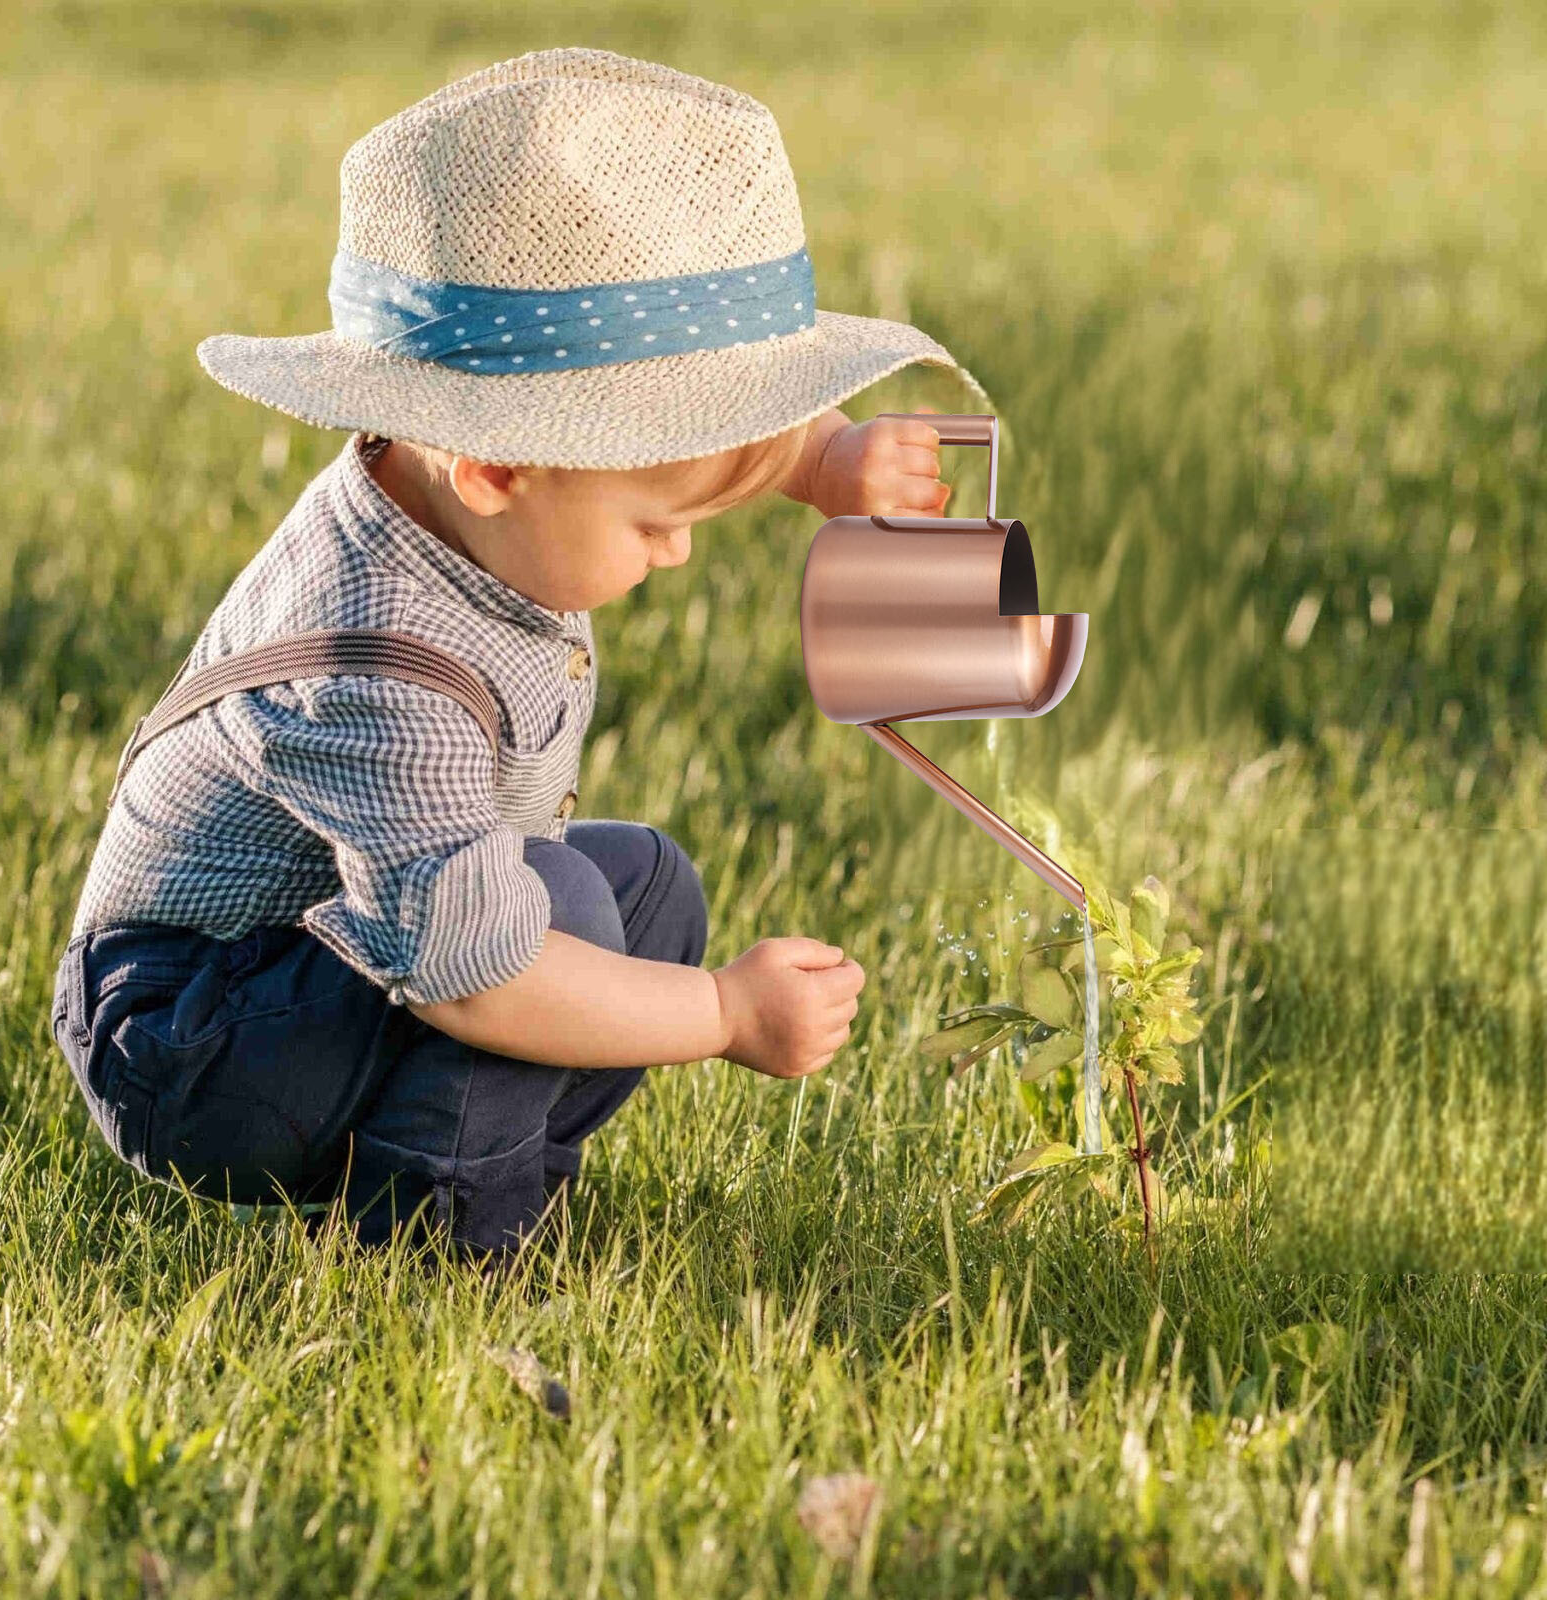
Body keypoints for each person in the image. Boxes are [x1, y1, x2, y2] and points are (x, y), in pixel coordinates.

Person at [50, 45, 992, 1268]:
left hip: (324, 955)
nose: (681, 558)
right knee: (551, 919)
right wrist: (721, 1014)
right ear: (500, 464)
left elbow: (679, 424)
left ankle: (488, 1167)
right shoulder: (372, 665)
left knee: (650, 891)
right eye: (659, 526)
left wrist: (823, 464)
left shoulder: (471, 489)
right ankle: (441, 1246)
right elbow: (476, 976)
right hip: (192, 1035)